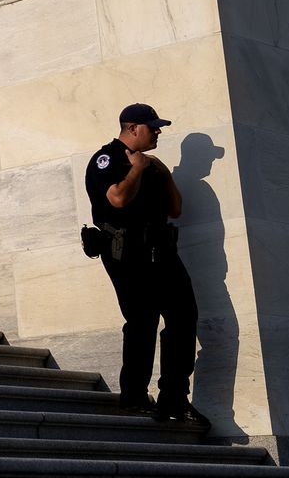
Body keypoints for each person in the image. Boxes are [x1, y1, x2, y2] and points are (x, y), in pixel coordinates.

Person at [84, 102, 206, 424]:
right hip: (126, 252)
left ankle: (174, 400)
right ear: (132, 128)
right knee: (142, 322)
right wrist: (136, 168)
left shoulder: (154, 166)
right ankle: (135, 397)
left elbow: (175, 209)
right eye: (153, 127)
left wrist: (162, 172)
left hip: (162, 252)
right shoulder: (105, 159)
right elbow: (118, 200)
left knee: (184, 318)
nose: (158, 132)